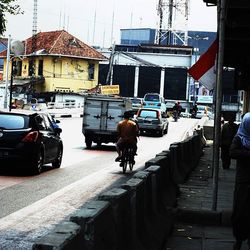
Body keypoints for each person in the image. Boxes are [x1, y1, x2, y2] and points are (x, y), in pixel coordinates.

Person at [229, 112, 250, 250]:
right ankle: (239, 239)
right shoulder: (240, 138)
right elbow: (233, 152)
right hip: (243, 182)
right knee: (240, 212)